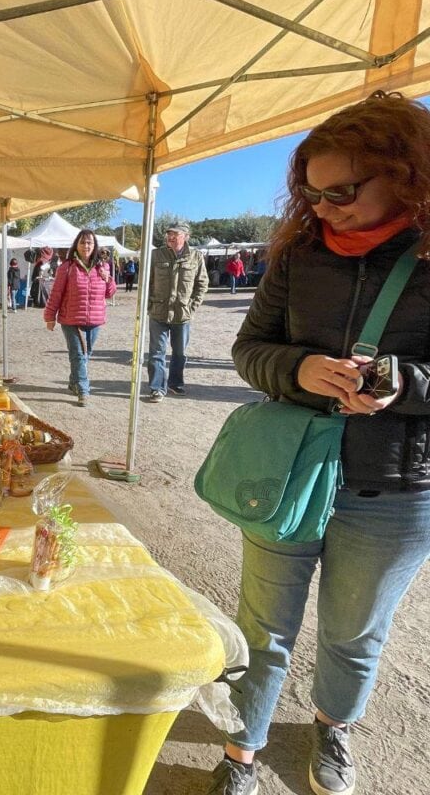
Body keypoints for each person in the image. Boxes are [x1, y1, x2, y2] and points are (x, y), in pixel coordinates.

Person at [205, 90, 430, 795]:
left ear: (406, 171)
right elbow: (251, 350)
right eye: (312, 193)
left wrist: (406, 384)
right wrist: (299, 371)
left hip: (394, 488)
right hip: (286, 472)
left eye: (342, 193)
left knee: (354, 632)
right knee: (262, 626)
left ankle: (333, 728)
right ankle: (241, 750)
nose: (325, 209)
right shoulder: (301, 254)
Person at [43, 229, 116, 407]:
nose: (86, 246)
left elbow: (110, 293)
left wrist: (108, 280)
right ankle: (83, 390)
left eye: (90, 243)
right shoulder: (67, 267)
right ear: (76, 245)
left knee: (85, 355)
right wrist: (50, 316)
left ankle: (73, 381)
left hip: (95, 319)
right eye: (83, 242)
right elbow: (56, 293)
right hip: (71, 319)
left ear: (95, 245)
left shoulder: (103, 267)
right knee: (78, 355)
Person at [146, 221, 208, 401]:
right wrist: (150, 304)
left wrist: (192, 306)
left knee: (180, 353)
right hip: (158, 312)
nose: (171, 237)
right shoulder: (156, 255)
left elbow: (202, 284)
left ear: (186, 237)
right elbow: (147, 282)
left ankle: (175, 383)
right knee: (157, 352)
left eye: (175, 234)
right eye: (169, 234)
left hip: (182, 314)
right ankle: (157, 387)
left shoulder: (195, 257)